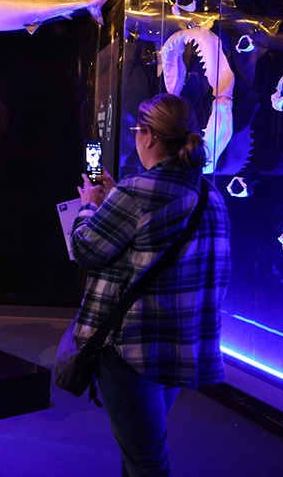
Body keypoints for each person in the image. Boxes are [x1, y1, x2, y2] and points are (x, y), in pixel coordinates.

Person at [70, 93, 231, 477]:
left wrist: (91, 204)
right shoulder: (210, 195)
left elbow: (84, 249)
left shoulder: (136, 190)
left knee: (147, 462)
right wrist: (115, 199)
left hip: (131, 349)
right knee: (145, 451)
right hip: (178, 345)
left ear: (150, 136)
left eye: (136, 131)